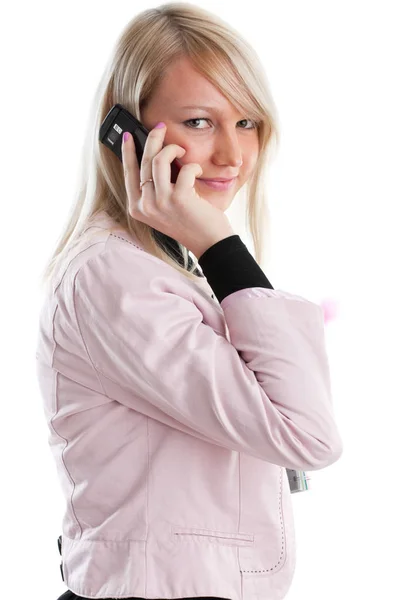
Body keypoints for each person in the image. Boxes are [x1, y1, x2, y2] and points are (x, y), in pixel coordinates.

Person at [35, 3, 343, 600]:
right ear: (123, 129)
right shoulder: (115, 278)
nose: (232, 154)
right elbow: (308, 433)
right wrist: (218, 242)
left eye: (248, 122)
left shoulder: (160, 266)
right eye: (201, 122)